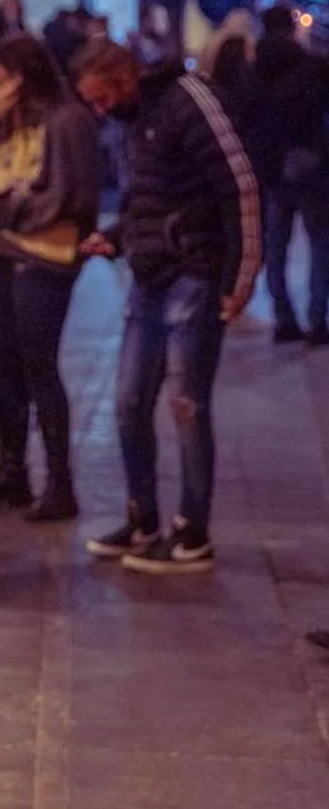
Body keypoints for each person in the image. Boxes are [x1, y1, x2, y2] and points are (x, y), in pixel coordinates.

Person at [71, 39, 261, 574]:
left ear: (125, 78)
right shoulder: (137, 120)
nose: (99, 110)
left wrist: (240, 275)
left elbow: (240, 186)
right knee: (130, 402)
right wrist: (116, 235)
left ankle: (191, 531)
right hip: (150, 276)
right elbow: (148, 197)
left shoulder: (188, 99)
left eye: (103, 98)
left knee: (186, 404)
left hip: (193, 275)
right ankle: (141, 517)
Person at [0, 33, 100, 521]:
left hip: (44, 254)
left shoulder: (66, 122)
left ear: (22, 75)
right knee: (6, 365)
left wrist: (7, 208)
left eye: (2, 77)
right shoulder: (5, 124)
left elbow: (72, 194)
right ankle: (13, 472)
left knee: (40, 365)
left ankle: (59, 482)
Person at [249, 6, 329, 344]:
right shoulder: (313, 67)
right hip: (312, 167)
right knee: (319, 245)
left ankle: (284, 318)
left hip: (271, 170)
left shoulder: (253, 72)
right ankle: (317, 320)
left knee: (276, 245)